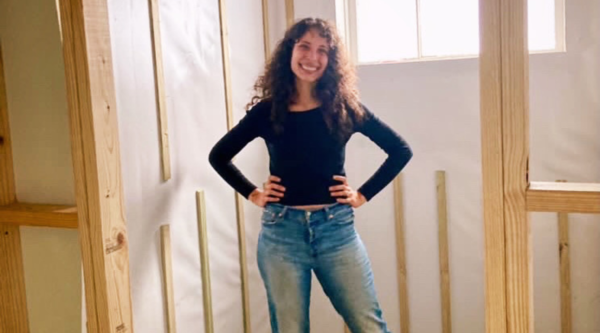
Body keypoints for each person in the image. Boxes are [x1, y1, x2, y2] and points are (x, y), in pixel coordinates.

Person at [209, 17, 412, 333]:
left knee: (368, 324)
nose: (312, 58)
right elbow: (219, 156)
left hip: (337, 232)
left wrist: (361, 195)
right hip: (281, 235)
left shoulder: (343, 107)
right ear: (290, 50)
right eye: (304, 46)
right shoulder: (267, 111)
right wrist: (254, 193)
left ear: (330, 61)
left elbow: (400, 150)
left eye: (322, 50)